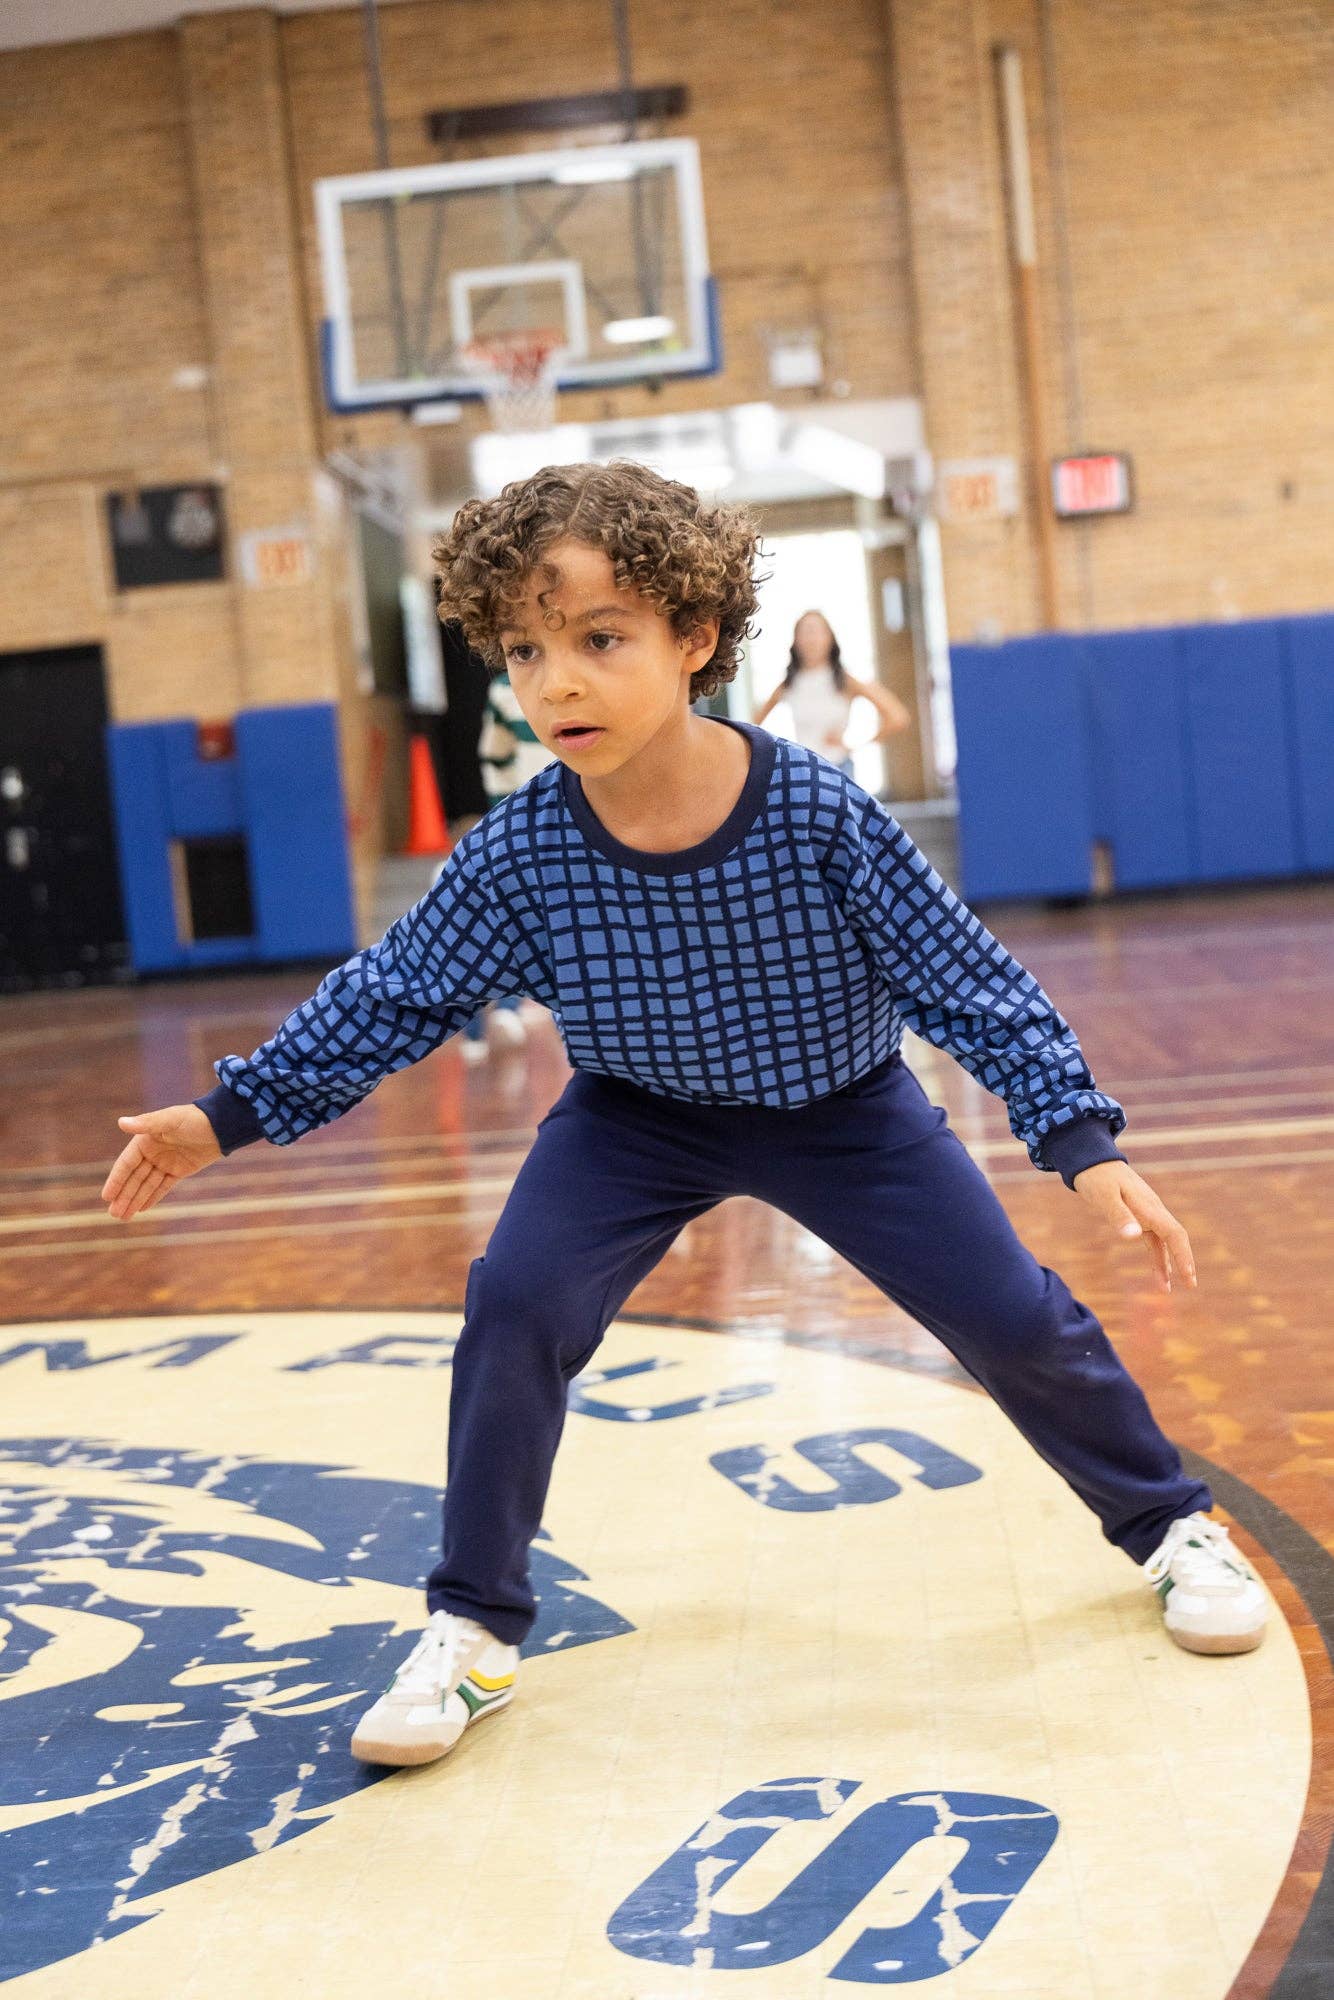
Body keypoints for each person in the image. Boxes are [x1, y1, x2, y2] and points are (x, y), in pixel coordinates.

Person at [101, 460, 1267, 1772]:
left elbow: (964, 977)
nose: (559, 684)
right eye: (527, 651)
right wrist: (226, 1114)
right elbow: (394, 995)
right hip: (633, 1118)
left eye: (601, 641)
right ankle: (472, 1627)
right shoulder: (519, 849)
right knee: (516, 1306)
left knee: (1012, 1317)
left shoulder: (818, 812)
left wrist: (1075, 1140)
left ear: (692, 638)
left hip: (841, 1111)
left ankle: (1168, 1526)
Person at [457, 669, 554, 1063]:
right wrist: (506, 816)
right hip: (526, 825)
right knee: (513, 926)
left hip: (586, 818)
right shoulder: (502, 689)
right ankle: (492, 1021)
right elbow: (493, 755)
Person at [753, 609, 910, 779]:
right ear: (796, 641)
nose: (811, 639)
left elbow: (897, 717)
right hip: (803, 772)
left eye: (817, 631)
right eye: (805, 632)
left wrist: (856, 744)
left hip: (838, 769)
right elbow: (754, 724)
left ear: (830, 638)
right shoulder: (788, 684)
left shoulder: (845, 681)